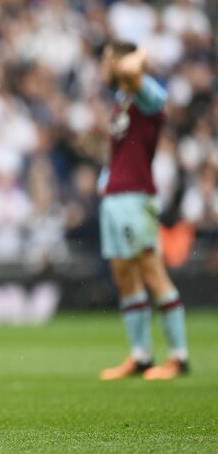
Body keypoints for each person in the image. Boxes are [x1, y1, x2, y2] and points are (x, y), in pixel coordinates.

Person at [98, 42, 189, 381]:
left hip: (136, 198)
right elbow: (122, 150)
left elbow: (135, 76)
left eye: (107, 59)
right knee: (124, 273)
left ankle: (178, 356)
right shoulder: (121, 101)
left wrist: (130, 58)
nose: (102, 65)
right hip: (116, 197)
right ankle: (141, 355)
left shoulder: (145, 97)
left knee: (151, 271)